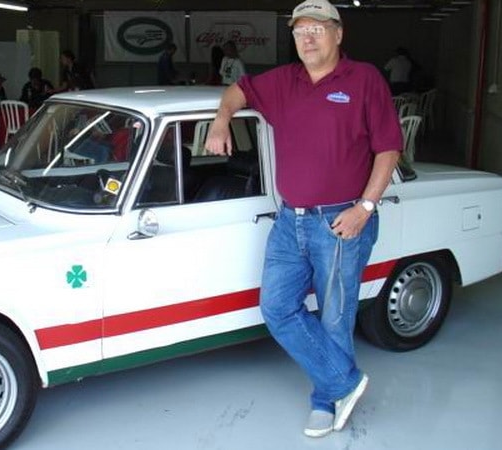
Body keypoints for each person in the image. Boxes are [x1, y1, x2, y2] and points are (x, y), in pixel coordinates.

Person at [204, 0, 401, 439]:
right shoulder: (283, 81)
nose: (307, 38)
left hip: (341, 220)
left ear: (338, 33)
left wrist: (365, 209)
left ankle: (324, 401)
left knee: (334, 317)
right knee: (276, 307)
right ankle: (345, 382)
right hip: (289, 219)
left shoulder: (364, 79)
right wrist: (221, 119)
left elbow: (388, 148)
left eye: (317, 28)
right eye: (299, 31)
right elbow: (237, 90)